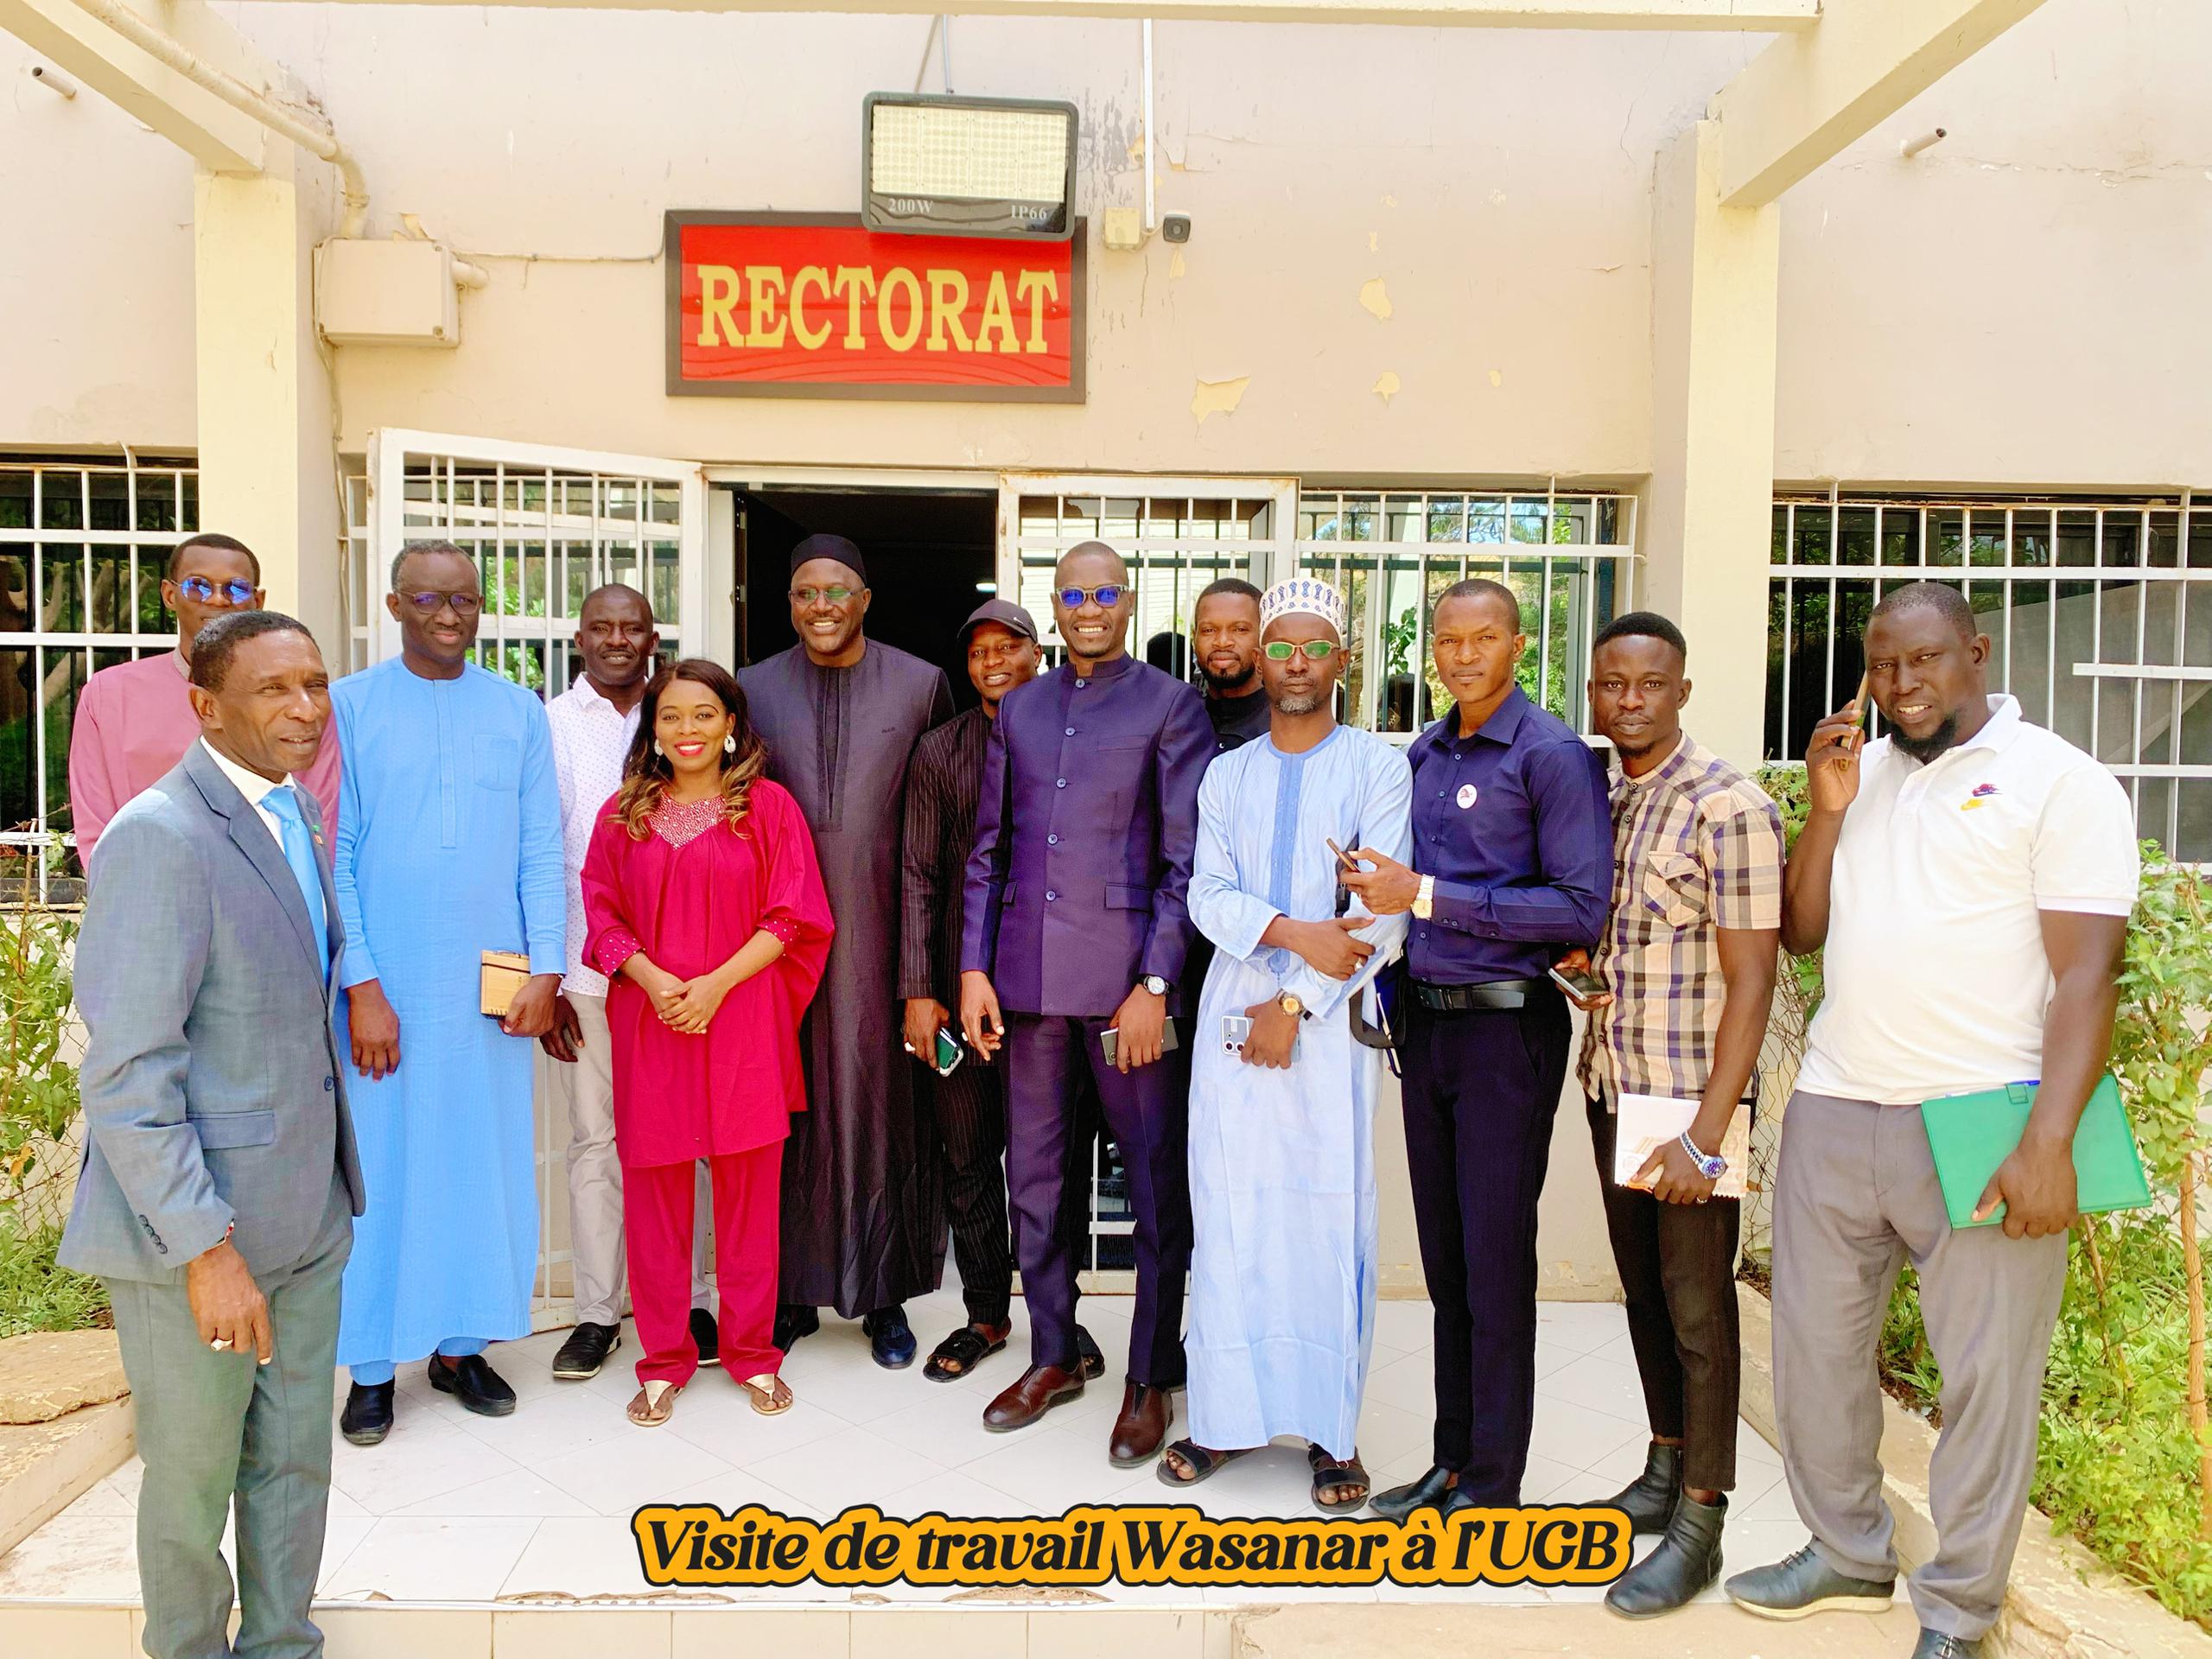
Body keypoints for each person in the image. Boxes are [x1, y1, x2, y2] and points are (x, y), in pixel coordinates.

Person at [1726, 583, 2138, 1659]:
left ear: (1975, 652)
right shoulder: (1859, 774)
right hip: (1836, 1102)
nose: (1901, 685)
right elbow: (1802, 933)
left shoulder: (2058, 781)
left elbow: (2088, 975)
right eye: (1882, 666)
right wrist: (1825, 809)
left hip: (1981, 1119)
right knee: (1813, 1359)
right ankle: (1847, 1552)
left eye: (1924, 661)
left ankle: (1958, 1609)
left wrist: (2048, 1141)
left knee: (1985, 1380)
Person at [60, 609, 363, 1659]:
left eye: (315, 685)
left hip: (307, 1214)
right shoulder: (160, 835)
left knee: (293, 1463)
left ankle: (283, 1644)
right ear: (206, 705)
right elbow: (129, 1072)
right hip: (199, 1236)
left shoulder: (294, 812)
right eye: (275, 688)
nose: (306, 708)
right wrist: (206, 1247)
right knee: (192, 1483)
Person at [1340, 577, 1611, 1516]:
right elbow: (1405, 888)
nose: (1462, 656)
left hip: (1504, 1033)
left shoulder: (1551, 756)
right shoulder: (1425, 750)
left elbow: (1578, 908)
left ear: (1517, 645)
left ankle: (1494, 1484)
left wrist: (1423, 894)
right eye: (1448, 640)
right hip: (1429, 1027)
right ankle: (1450, 1463)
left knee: (1494, 1266)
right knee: (1447, 1264)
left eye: (1483, 638)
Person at [1160, 577, 1411, 1513]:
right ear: (1260, 662)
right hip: (1234, 1001)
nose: (1296, 663)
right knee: (1229, 1213)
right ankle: (1224, 1419)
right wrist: (1293, 931)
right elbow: (1206, 893)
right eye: (1280, 648)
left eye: (1313, 648)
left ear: (1341, 660)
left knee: (1326, 1216)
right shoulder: (1227, 774)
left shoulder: (1379, 768)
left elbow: (1381, 913)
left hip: (1332, 1023)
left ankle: (1331, 1435)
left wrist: (1296, 1001)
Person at [961, 540, 1214, 1465]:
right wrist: (972, 968)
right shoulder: (1021, 706)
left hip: (1124, 996)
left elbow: (1185, 863)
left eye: (1105, 594)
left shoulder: (1169, 704)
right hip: (1026, 988)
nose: (1090, 609)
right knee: (1034, 1182)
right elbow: (990, 848)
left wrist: (1155, 984)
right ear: (1055, 605)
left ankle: (1149, 1376)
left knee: (1152, 1187)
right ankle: (1055, 1354)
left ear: (1128, 600)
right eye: (1074, 596)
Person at [1551, 612, 1784, 1617]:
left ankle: (1701, 1519)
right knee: (1643, 1294)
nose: (1629, 701)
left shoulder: (1727, 806)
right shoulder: (1609, 798)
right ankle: (1662, 1464)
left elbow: (1753, 979)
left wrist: (1704, 1134)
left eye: (1649, 684)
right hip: (1615, 1084)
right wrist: (1581, 966)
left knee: (1698, 1310)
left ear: (1681, 691)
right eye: (1612, 685)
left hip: (1688, 1103)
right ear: (1593, 695)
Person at [332, 542, 568, 1445]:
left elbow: (540, 850)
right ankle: (371, 1365)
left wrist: (547, 969)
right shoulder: (349, 707)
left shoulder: (517, 711)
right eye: (429, 600)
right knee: (382, 1168)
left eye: (464, 600)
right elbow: (336, 853)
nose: (449, 615)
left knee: (481, 1161)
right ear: (396, 604)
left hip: (489, 989)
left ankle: (462, 1347)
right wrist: (361, 984)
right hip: (385, 988)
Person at [579, 660, 835, 1427]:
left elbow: (792, 916)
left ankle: (753, 1352)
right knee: (655, 1198)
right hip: (653, 1022)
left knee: (749, 1201)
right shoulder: (622, 814)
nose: (686, 730)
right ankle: (663, 1359)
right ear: (652, 731)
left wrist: (715, 986)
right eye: (670, 717)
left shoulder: (768, 808)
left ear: (730, 725)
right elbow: (602, 915)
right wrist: (655, 980)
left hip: (742, 1021)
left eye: (703, 715)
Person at [741, 532, 955, 1367]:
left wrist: (929, 965)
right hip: (778, 944)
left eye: (837, 591)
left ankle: (885, 1294)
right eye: (805, 593)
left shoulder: (921, 683)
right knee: (786, 1112)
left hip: (886, 936)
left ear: (865, 599)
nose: (821, 606)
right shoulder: (753, 688)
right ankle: (792, 1293)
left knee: (883, 1110)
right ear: (790, 605)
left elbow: (941, 819)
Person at [899, 599, 1103, 1384]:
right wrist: (920, 989)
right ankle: (986, 1309)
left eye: (1007, 647)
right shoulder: (940, 751)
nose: (993, 662)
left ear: (1037, 654)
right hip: (958, 991)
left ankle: (1060, 1318)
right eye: (979, 651)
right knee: (968, 1154)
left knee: (1055, 1165)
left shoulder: (1070, 739)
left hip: (1048, 990)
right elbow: (919, 874)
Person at [540, 585, 719, 1382]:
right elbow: (533, 852)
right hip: (586, 974)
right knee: (597, 1142)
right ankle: (597, 1313)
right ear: (579, 638)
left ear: (654, 639)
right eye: (601, 627)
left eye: (632, 628)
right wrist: (544, 976)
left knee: (698, 1140)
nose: (617, 639)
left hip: (682, 977)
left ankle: (697, 1300)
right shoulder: (548, 725)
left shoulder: (679, 719)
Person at [67, 531, 341, 864]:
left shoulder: (301, 701)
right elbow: (95, 824)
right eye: (198, 586)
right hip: (149, 879)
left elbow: (317, 813)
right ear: (169, 594)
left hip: (269, 883)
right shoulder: (109, 693)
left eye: (236, 588)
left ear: (257, 600)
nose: (217, 600)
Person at [1191, 577, 1272, 753]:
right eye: (1209, 630)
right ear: (1194, 639)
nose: (1222, 642)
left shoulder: (1283, 726)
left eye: (1240, 629)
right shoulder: (1181, 720)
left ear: (1264, 638)